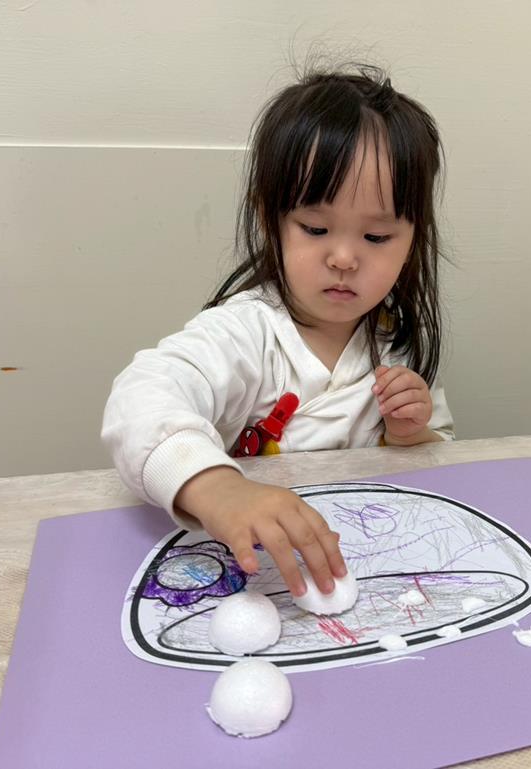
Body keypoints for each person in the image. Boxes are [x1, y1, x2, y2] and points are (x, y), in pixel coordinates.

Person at [102, 64, 454, 601]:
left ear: (412, 240)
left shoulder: (395, 340)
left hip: (372, 570)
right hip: (255, 573)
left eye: (377, 236)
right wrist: (216, 488)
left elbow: (438, 460)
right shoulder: (246, 331)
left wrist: (412, 436)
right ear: (272, 219)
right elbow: (141, 397)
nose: (344, 257)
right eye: (315, 228)